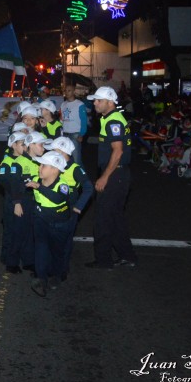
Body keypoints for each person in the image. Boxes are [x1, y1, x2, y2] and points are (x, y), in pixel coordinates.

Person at [85, 86, 137, 269]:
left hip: (115, 174)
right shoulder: (110, 118)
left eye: (98, 100)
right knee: (115, 218)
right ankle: (127, 256)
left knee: (103, 219)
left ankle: (104, 260)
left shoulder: (112, 120)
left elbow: (118, 151)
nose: (95, 103)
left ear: (110, 102)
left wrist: (105, 177)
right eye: (95, 100)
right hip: (119, 174)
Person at [26, 151, 81, 297]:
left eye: (44, 165)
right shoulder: (36, 178)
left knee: (57, 252)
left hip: (59, 224)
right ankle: (41, 279)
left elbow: (57, 198)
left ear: (55, 170)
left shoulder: (62, 185)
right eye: (40, 164)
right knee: (41, 249)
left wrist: (39, 187)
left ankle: (57, 275)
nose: (39, 167)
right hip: (40, 221)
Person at [45, 136, 94, 280]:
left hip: (69, 209)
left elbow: (88, 188)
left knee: (65, 242)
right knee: (50, 239)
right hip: (53, 208)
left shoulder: (75, 169)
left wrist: (79, 207)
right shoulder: (53, 165)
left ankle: (61, 271)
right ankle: (50, 267)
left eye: (54, 150)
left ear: (62, 152)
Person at [0, 132, 35, 275]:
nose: (25, 147)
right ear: (13, 145)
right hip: (14, 200)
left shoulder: (27, 159)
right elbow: (6, 183)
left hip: (28, 199)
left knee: (28, 231)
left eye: (26, 144)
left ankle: (28, 260)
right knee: (15, 232)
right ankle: (11, 262)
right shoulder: (7, 162)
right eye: (21, 144)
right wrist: (16, 201)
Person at [60, 86, 88, 166]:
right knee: (66, 159)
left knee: (76, 160)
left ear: (74, 91)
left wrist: (81, 134)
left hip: (75, 134)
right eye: (65, 90)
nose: (67, 92)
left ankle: (82, 177)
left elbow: (83, 120)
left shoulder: (79, 104)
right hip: (65, 134)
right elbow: (62, 118)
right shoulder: (63, 104)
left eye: (69, 90)